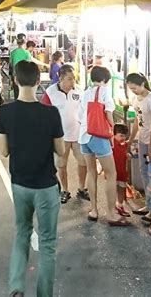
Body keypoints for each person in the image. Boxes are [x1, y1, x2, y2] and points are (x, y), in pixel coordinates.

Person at [0, 60, 65, 297]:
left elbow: (3, 151)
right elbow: (61, 150)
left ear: (15, 80)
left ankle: (16, 287)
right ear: (38, 81)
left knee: (22, 234)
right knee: (47, 244)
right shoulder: (51, 113)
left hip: (20, 185)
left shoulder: (4, 111)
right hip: (46, 186)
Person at [79, 66, 128, 225]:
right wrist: (113, 133)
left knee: (91, 172)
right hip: (98, 136)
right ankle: (111, 214)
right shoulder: (104, 91)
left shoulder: (85, 93)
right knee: (111, 173)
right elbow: (108, 114)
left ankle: (94, 210)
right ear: (105, 80)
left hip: (84, 136)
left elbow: (80, 116)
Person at [43, 65, 89, 203]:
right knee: (61, 164)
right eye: (69, 79)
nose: (72, 82)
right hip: (60, 136)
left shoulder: (79, 91)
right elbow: (46, 115)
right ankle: (65, 189)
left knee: (83, 162)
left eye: (74, 78)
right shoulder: (50, 93)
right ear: (61, 78)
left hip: (78, 134)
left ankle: (82, 188)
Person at [126, 72, 151, 224]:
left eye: (135, 88)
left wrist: (150, 147)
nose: (133, 91)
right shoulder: (136, 99)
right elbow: (138, 120)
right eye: (131, 89)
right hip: (143, 140)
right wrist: (131, 139)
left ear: (143, 84)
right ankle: (149, 205)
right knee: (144, 171)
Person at [112, 123, 132, 217]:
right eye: (121, 135)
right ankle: (113, 206)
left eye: (124, 136)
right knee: (113, 189)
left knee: (122, 189)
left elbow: (126, 154)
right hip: (114, 172)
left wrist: (128, 156)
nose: (123, 138)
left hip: (123, 173)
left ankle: (120, 204)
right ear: (114, 135)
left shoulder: (124, 145)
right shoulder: (112, 145)